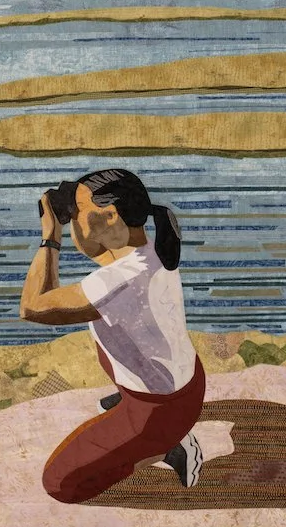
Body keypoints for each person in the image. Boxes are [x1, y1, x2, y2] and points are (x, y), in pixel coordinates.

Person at [19, 168, 205, 504]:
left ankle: (166, 449)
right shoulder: (150, 253)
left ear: (109, 215)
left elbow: (32, 308)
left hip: (158, 413)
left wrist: (51, 235)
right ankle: (140, 412)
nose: (73, 217)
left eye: (79, 211)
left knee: (60, 483)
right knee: (110, 335)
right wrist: (79, 218)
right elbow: (99, 252)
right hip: (187, 385)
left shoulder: (117, 281)